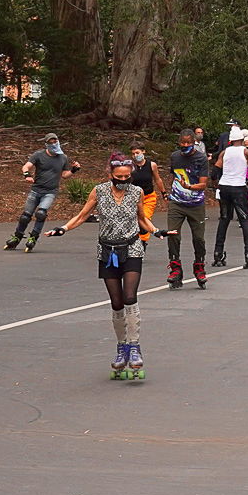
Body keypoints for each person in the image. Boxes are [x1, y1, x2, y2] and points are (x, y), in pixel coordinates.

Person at [48, 153, 161, 381]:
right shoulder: (99, 191)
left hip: (132, 249)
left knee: (130, 297)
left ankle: (135, 347)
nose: (123, 180)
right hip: (108, 252)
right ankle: (122, 348)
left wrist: (157, 231)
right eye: (119, 176)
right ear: (110, 174)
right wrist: (63, 229)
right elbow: (82, 215)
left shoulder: (136, 192)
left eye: (127, 176)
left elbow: (141, 218)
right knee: (117, 302)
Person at [7, 133, 79, 252]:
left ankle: (33, 238)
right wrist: (27, 175)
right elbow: (26, 166)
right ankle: (17, 236)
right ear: (46, 144)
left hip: (50, 192)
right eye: (50, 142)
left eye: (55, 141)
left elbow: (65, 175)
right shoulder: (38, 155)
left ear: (58, 142)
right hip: (36, 190)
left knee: (41, 214)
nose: (53, 144)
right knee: (25, 216)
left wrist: (74, 170)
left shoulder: (63, 158)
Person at [165, 128, 212, 289]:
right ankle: (175, 268)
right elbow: (172, 175)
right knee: (173, 235)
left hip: (195, 204)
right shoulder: (175, 157)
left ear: (193, 143)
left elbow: (203, 184)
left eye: (188, 143)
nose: (185, 145)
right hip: (176, 203)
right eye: (182, 142)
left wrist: (189, 186)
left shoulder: (201, 158)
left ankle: (199, 266)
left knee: (198, 238)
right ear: (179, 142)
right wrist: (169, 193)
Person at [212, 125, 248, 268]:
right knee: (245, 219)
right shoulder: (246, 152)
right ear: (242, 140)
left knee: (224, 219)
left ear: (230, 141)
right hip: (238, 188)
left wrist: (217, 184)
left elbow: (215, 171)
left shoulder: (224, 153)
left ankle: (218, 254)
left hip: (224, 187)